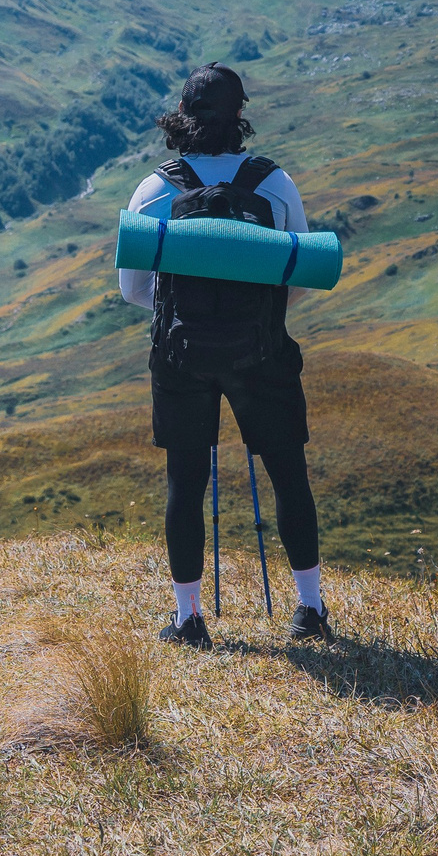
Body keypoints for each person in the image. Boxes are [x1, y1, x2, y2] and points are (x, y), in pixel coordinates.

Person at [118, 64, 331, 647]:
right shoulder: (274, 183)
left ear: (181, 118)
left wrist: (188, 318)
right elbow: (297, 272)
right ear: (241, 116)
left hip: (180, 356)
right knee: (288, 477)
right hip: (262, 353)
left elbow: (133, 289)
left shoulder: (155, 188)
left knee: (184, 485)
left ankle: (189, 621)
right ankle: (309, 611)